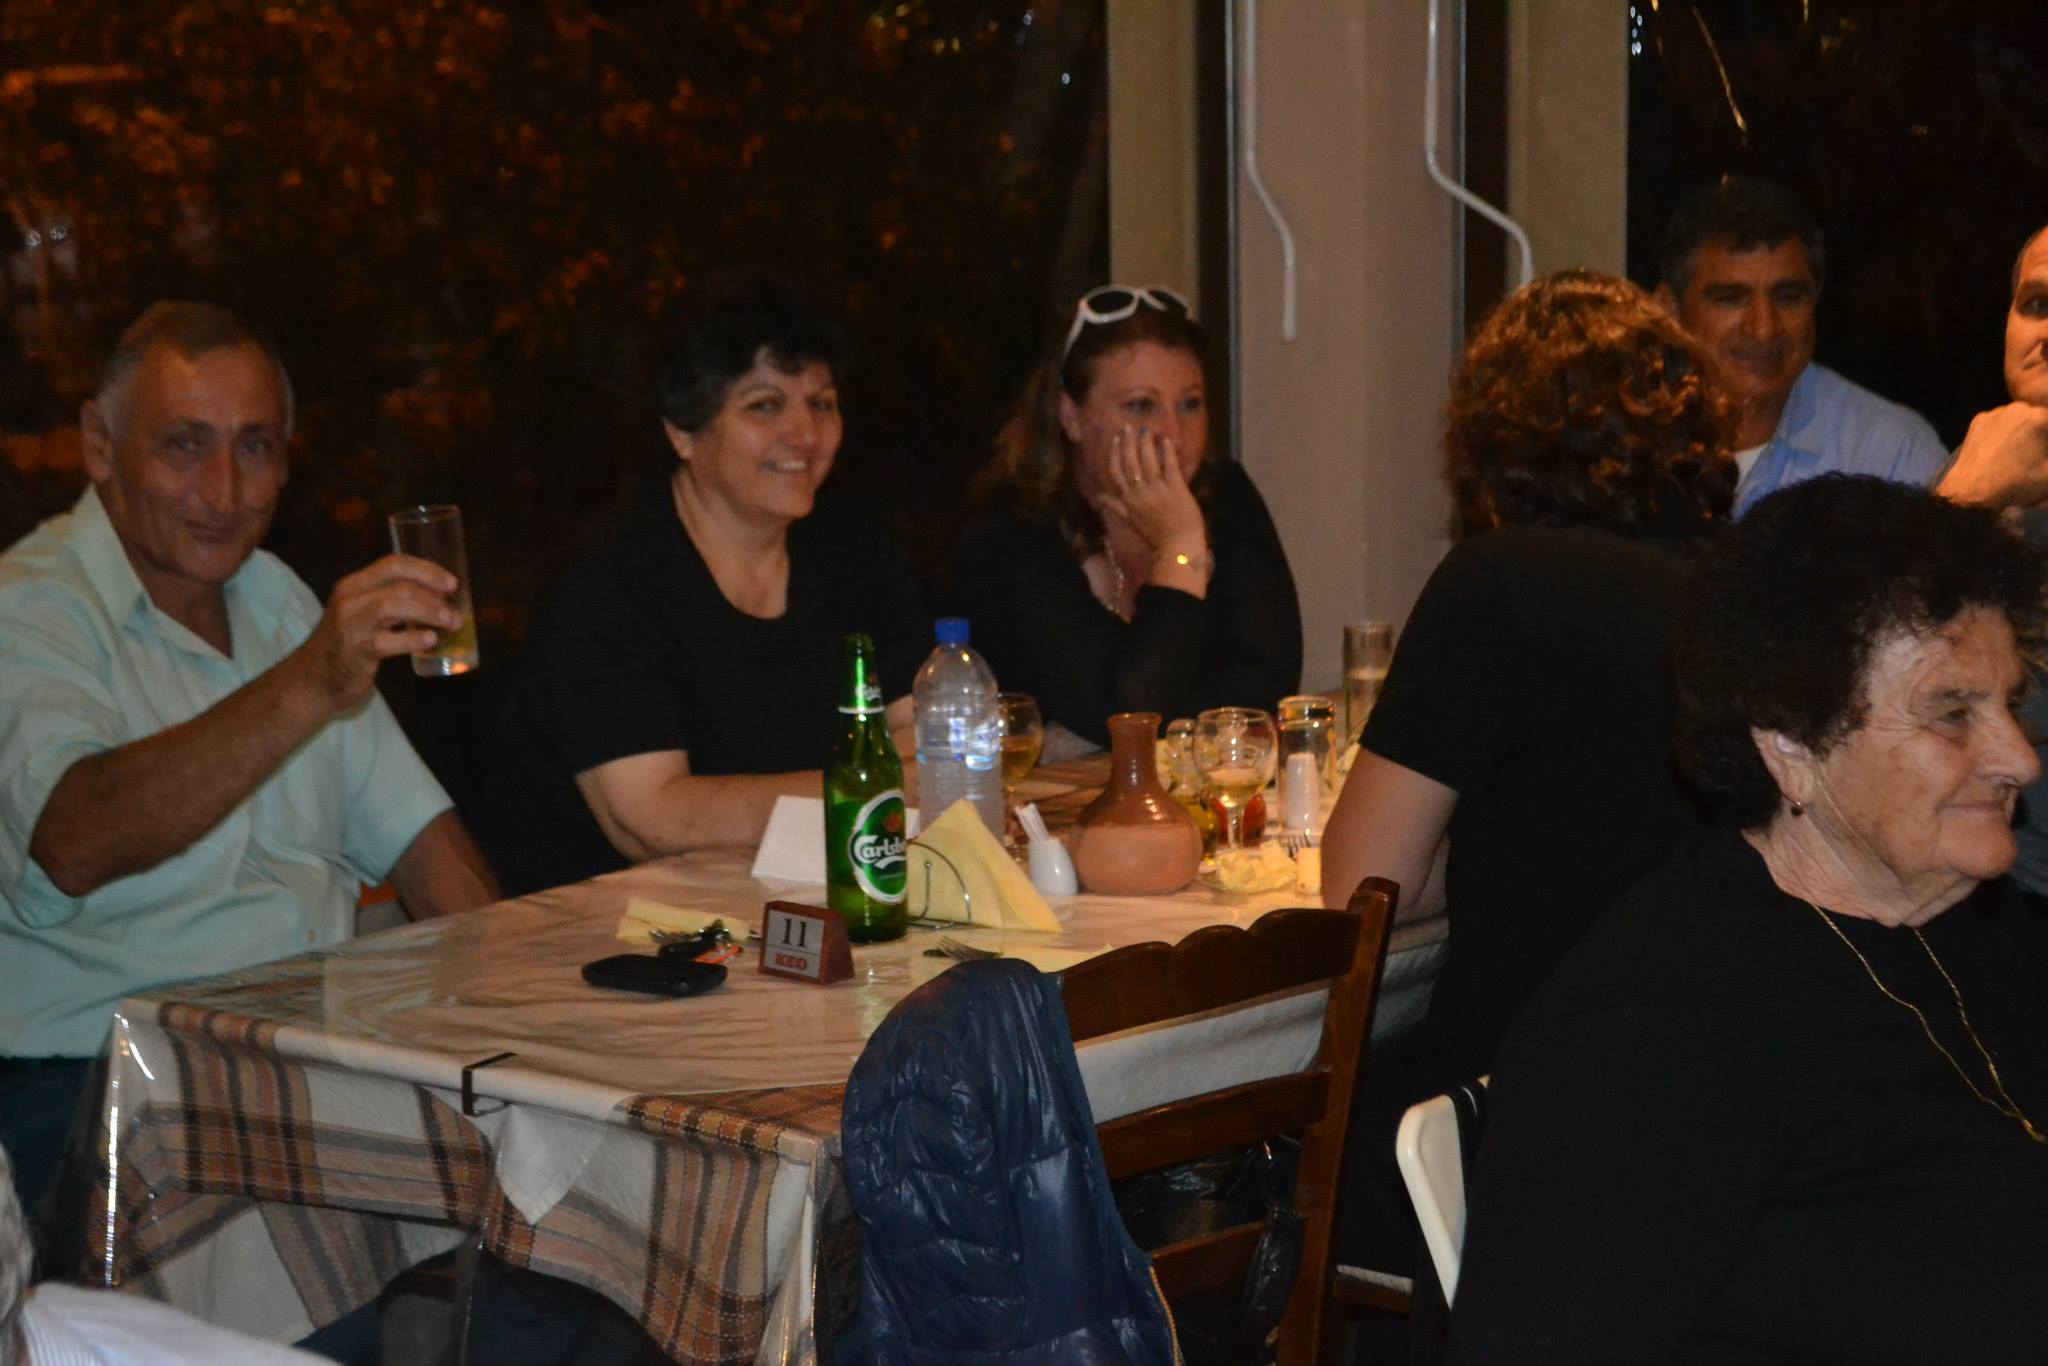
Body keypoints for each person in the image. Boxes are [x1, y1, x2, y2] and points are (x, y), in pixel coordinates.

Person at [1454, 475, 2048, 1362]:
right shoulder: (1654, 1036)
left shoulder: (1982, 931)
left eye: (2011, 703)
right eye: (1953, 714)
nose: (2019, 759)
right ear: (1792, 748)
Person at [0, 303, 498, 1225]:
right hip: (101, 1084)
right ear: (99, 446)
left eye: (256, 447)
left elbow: (426, 852)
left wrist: (534, 1027)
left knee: (561, 1213)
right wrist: (310, 681)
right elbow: (73, 838)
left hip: (302, 1066)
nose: (224, 491)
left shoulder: (275, 599)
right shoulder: (32, 608)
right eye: (184, 445)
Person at [1321, 269, 1729, 1080]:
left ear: (1497, 432)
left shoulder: (1496, 584)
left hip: (1529, 1075)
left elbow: (1362, 884)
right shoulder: (1734, 587)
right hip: (1710, 1065)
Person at [487, 271, 929, 897]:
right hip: (614, 924)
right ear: (682, 432)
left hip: (807, 893)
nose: (805, 434)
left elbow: (925, 740)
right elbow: (651, 818)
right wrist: (863, 791)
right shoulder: (607, 580)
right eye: (764, 406)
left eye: (822, 404)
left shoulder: (856, 550)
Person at [945, 285, 1300, 747]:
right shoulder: (1012, 533)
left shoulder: (1225, 493)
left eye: (1190, 404)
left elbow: (1268, 685)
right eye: (1140, 406)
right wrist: (1179, 548)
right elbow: (1122, 713)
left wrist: (1175, 706)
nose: (1173, 433)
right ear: (1071, 417)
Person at [1655, 176, 1949, 517]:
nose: (1764, 329)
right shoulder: (1631, 442)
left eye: (1788, 298)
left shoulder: (1889, 453)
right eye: (1731, 299)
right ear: (1668, 311)